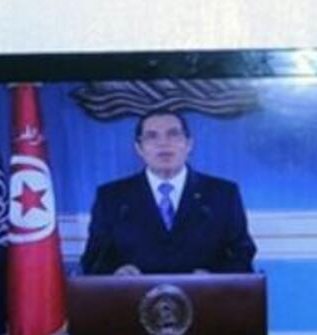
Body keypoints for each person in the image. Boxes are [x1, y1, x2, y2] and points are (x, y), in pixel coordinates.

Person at [80, 109, 256, 275]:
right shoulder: (112, 197)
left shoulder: (223, 193)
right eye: (151, 136)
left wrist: (214, 277)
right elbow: (93, 259)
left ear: (189, 144)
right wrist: (115, 273)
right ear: (139, 148)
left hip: (207, 301)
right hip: (133, 302)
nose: (163, 143)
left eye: (173, 134)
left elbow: (243, 252)